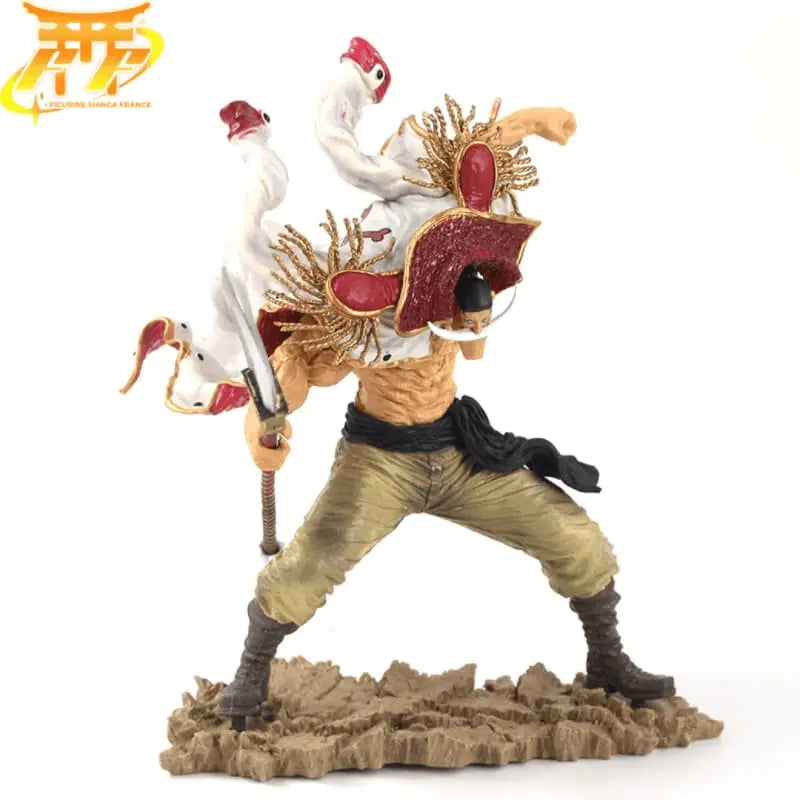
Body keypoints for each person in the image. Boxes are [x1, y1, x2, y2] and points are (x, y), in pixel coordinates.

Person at [218, 262, 675, 726]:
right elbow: (285, 379)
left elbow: (473, 347)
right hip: (380, 461)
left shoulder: (447, 280)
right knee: (308, 565)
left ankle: (607, 658)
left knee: (573, 536)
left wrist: (475, 306)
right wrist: (261, 430)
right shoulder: (345, 304)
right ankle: (250, 673)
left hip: (456, 451)